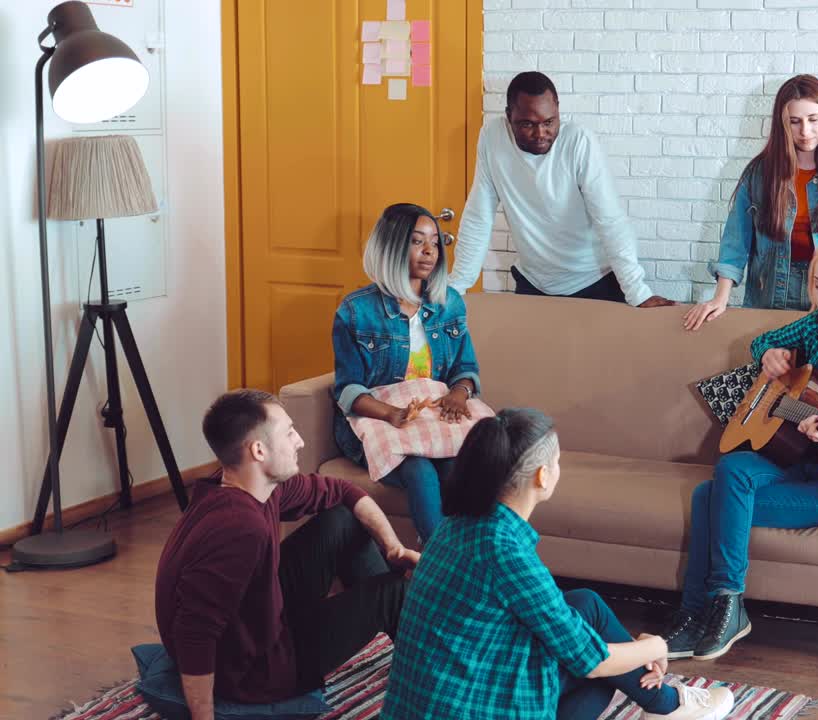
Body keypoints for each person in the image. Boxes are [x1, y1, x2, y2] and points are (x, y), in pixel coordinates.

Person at [381, 408, 734, 720]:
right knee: (599, 675)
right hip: (469, 705)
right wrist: (656, 646)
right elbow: (593, 661)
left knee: (585, 606)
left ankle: (667, 707)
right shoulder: (504, 550)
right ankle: (670, 707)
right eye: (557, 462)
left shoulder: (458, 523)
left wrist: (634, 650)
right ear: (541, 475)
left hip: (432, 700)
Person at [664, 236, 818, 661]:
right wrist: (772, 356)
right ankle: (720, 608)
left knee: (709, 497)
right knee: (732, 469)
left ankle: (700, 615)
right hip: (792, 461)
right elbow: (764, 343)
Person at [154, 390, 416, 719]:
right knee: (397, 593)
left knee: (343, 518)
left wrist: (393, 549)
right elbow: (194, 631)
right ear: (258, 450)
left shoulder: (248, 487)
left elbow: (344, 491)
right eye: (289, 432)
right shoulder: (238, 528)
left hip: (256, 626)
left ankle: (397, 625)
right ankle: (430, 679)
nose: (300, 441)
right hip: (253, 673)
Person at [448, 71, 675, 308]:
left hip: (594, 280)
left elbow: (611, 220)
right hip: (533, 283)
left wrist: (637, 292)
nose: (540, 134)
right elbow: (478, 216)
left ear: (557, 110)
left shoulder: (578, 142)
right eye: (527, 124)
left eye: (549, 122)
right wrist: (456, 288)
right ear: (508, 116)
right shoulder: (492, 138)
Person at [684, 74, 818, 331]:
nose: (805, 131)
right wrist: (720, 298)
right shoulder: (759, 174)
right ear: (782, 124)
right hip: (769, 295)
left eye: (814, 120)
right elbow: (736, 241)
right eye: (794, 122)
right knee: (768, 366)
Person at [332, 202, 481, 542]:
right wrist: (392, 413)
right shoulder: (356, 311)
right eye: (417, 241)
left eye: (435, 241)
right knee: (418, 469)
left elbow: (465, 368)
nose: (430, 251)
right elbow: (347, 389)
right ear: (392, 247)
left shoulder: (450, 303)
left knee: (457, 466)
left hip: (430, 416)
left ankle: (471, 555)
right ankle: (436, 563)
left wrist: (458, 395)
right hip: (376, 417)